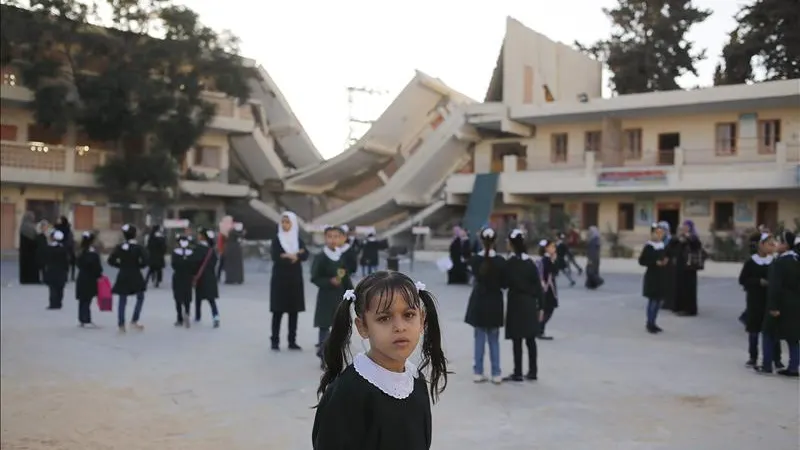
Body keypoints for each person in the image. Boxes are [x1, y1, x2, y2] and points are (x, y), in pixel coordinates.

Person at [312, 271, 448, 450]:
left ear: (422, 319)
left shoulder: (416, 382)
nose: (399, 327)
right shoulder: (347, 392)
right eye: (384, 318)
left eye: (408, 315)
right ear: (363, 327)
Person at [465, 227, 506, 384]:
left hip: (479, 301)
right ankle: (496, 372)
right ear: (495, 241)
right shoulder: (501, 262)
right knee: (494, 339)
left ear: (481, 241)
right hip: (495, 302)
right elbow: (504, 284)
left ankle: (478, 371)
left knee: (479, 338)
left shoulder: (475, 260)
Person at [757, 230, 800, 377]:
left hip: (781, 304)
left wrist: (774, 307)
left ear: (786, 245)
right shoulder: (797, 260)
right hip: (795, 305)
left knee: (768, 333)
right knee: (793, 337)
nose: (776, 244)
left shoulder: (780, 263)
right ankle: (794, 367)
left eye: (780, 242)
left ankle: (767, 365)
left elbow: (775, 287)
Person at [503, 229, 542, 382]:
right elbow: (538, 286)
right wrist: (541, 305)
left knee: (517, 340)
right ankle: (533, 371)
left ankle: (517, 372)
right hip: (530, 304)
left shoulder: (510, 263)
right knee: (531, 340)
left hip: (516, 304)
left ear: (512, 244)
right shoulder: (530, 263)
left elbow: (504, 283)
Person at [312, 225, 353, 367]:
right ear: (325, 238)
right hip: (325, 296)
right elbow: (315, 277)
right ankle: (323, 355)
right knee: (324, 326)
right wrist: (329, 281)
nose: (333, 240)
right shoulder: (321, 257)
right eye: (330, 236)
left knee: (338, 327)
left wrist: (352, 292)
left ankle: (332, 354)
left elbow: (345, 276)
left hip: (339, 296)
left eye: (336, 236)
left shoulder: (340, 256)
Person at [739, 233, 782, 368]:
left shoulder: (775, 261)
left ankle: (776, 358)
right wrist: (758, 281)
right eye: (768, 243)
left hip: (770, 300)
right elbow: (743, 279)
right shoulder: (751, 261)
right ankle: (753, 356)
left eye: (772, 243)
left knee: (773, 331)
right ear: (760, 245)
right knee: (754, 330)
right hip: (754, 300)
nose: (771, 246)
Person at [270, 212, 308, 351]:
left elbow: (306, 254)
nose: (285, 225)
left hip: (294, 279)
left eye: (288, 222)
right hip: (280, 279)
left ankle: (292, 341)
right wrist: (291, 256)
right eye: (283, 222)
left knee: (294, 312)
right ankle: (275, 341)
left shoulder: (298, 239)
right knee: (277, 312)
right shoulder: (277, 239)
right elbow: (275, 256)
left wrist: (295, 256)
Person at [107, 223, 148, 333]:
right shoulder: (138, 247)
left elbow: (111, 261)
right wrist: (137, 266)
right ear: (134, 235)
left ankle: (121, 325)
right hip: (135, 275)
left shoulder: (120, 247)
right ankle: (134, 321)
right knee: (140, 297)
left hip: (123, 274)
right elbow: (145, 261)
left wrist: (121, 266)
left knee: (122, 299)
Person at [639, 223, 668, 334]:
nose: (659, 235)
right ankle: (649, 323)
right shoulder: (649, 246)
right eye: (657, 233)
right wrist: (654, 263)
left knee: (659, 300)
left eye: (661, 233)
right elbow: (642, 261)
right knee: (653, 301)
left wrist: (665, 261)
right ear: (652, 234)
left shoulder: (661, 245)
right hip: (652, 276)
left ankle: (654, 322)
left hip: (661, 276)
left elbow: (664, 257)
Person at [671, 220, 704, 316]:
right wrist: (679, 237)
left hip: (690, 267)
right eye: (683, 226)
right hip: (680, 266)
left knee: (688, 288)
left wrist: (688, 238)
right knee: (679, 287)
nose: (685, 228)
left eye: (686, 226)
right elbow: (672, 246)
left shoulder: (693, 237)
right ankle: (679, 307)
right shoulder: (680, 237)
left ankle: (689, 309)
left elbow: (697, 246)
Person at [194, 227, 221, 328]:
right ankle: (216, 316)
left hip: (200, 277)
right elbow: (214, 263)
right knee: (211, 300)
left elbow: (194, 263)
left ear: (202, 237)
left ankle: (197, 316)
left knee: (198, 298)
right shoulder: (211, 250)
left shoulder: (198, 249)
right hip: (210, 277)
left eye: (199, 234)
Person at [75, 231, 102, 327]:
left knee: (82, 299)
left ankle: (82, 319)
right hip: (90, 278)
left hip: (81, 276)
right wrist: (99, 275)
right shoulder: (93, 254)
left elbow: (77, 263)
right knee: (87, 299)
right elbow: (97, 268)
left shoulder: (80, 252)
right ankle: (86, 319)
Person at [536, 239, 559, 340]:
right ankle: (539, 329)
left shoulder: (543, 259)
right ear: (546, 248)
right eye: (552, 247)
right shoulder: (547, 260)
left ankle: (539, 329)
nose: (554, 249)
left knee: (544, 309)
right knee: (548, 310)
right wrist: (554, 261)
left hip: (545, 288)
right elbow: (553, 272)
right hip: (547, 288)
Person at [171, 234, 196, 328]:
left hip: (178, 276)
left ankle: (179, 318)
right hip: (188, 277)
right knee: (187, 297)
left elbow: (173, 265)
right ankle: (187, 313)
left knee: (178, 298)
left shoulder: (175, 252)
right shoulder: (192, 252)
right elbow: (194, 266)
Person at [43, 229, 70, 310]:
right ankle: (59, 303)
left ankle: (53, 304)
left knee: (52, 288)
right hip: (61, 271)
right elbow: (67, 260)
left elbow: (45, 259)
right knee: (60, 288)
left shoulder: (49, 248)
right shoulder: (64, 249)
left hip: (51, 270)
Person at [659, 221, 678, 311]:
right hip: (661, 264)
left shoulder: (671, 240)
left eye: (663, 229)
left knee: (669, 284)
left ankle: (669, 302)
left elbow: (673, 252)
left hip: (669, 266)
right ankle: (662, 300)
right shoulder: (659, 239)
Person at [18, 211, 41, 284]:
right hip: (31, 251)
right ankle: (33, 279)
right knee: (32, 266)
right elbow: (34, 238)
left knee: (24, 266)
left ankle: (24, 280)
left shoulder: (23, 226)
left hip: (24, 251)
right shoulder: (30, 227)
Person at [54, 215, 76, 282]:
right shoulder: (57, 228)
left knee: (68, 263)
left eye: (59, 220)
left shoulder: (66, 228)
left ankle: (69, 276)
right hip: (62, 247)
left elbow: (69, 239)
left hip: (66, 247)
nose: (58, 221)